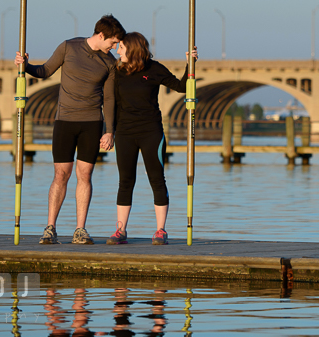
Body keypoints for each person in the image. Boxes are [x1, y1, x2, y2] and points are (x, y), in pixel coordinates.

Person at [16, 14, 125, 245]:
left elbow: (109, 99)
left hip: (91, 124)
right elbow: (44, 71)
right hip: (64, 122)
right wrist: (25, 66)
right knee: (61, 174)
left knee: (84, 175)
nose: (114, 47)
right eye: (113, 42)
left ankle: (80, 230)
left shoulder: (110, 63)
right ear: (101, 35)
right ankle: (50, 228)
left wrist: (109, 131)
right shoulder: (68, 47)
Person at [106, 32, 192, 246]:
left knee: (157, 179)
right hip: (125, 132)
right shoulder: (117, 71)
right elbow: (111, 104)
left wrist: (190, 65)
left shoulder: (154, 69)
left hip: (151, 132)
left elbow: (182, 87)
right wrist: (108, 131)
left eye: (122, 47)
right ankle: (120, 230)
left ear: (133, 49)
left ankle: (161, 230)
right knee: (125, 181)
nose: (118, 50)